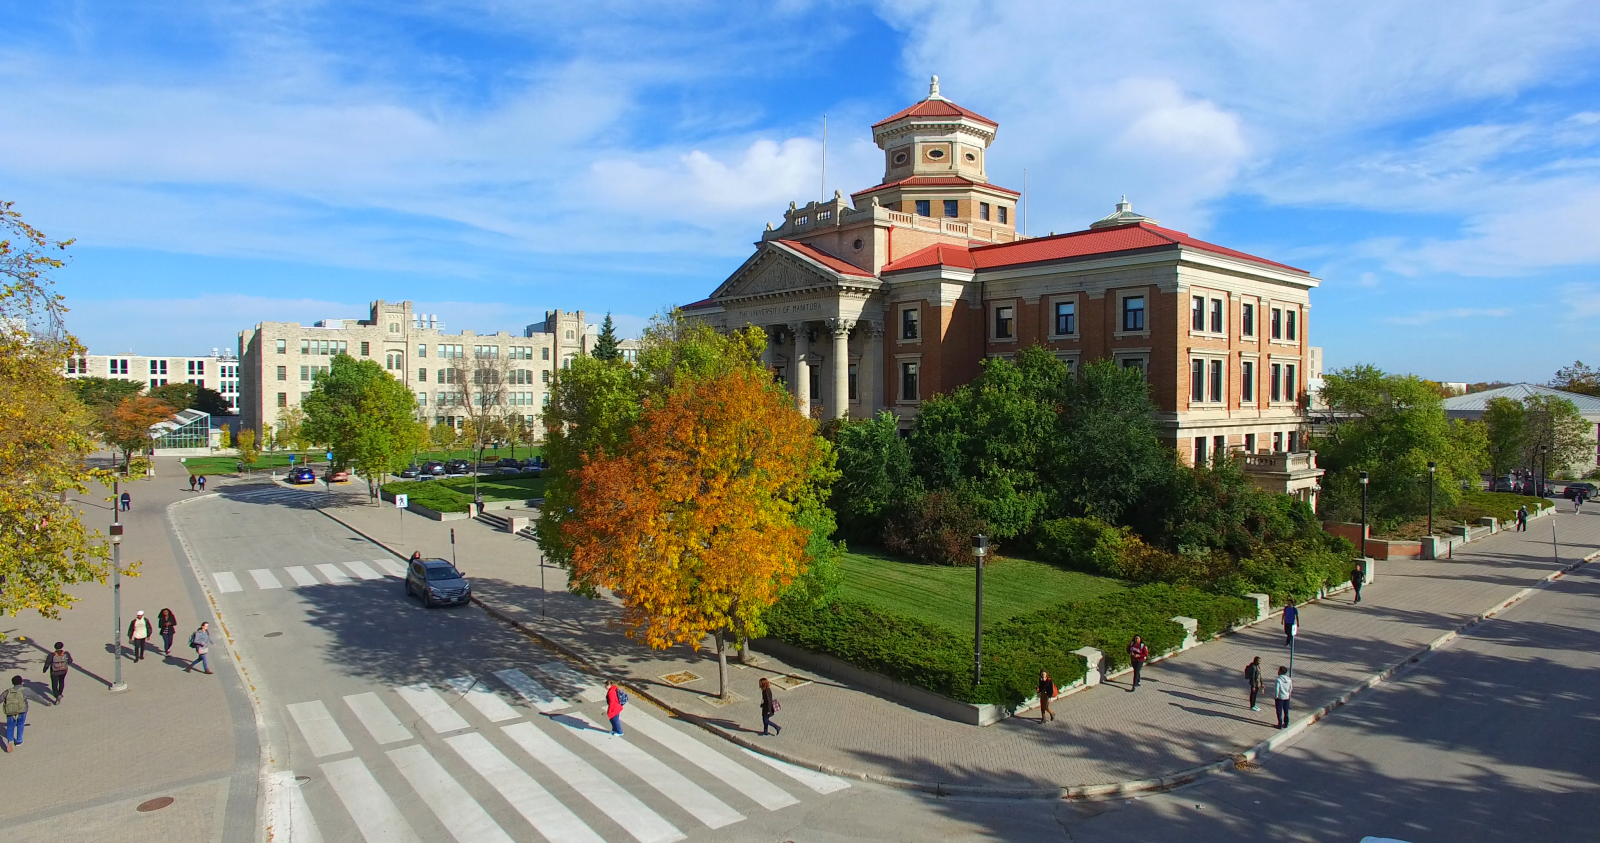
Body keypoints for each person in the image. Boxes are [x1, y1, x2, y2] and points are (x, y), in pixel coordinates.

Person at [2, 676, 27, 751]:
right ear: (21, 682)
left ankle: (10, 741)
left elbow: (0, 699)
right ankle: (19, 741)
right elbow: (36, 697)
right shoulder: (25, 690)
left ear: (12, 683)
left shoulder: (7, 691)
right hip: (21, 711)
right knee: (20, 725)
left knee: (10, 727)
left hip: (10, 712)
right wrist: (46, 703)